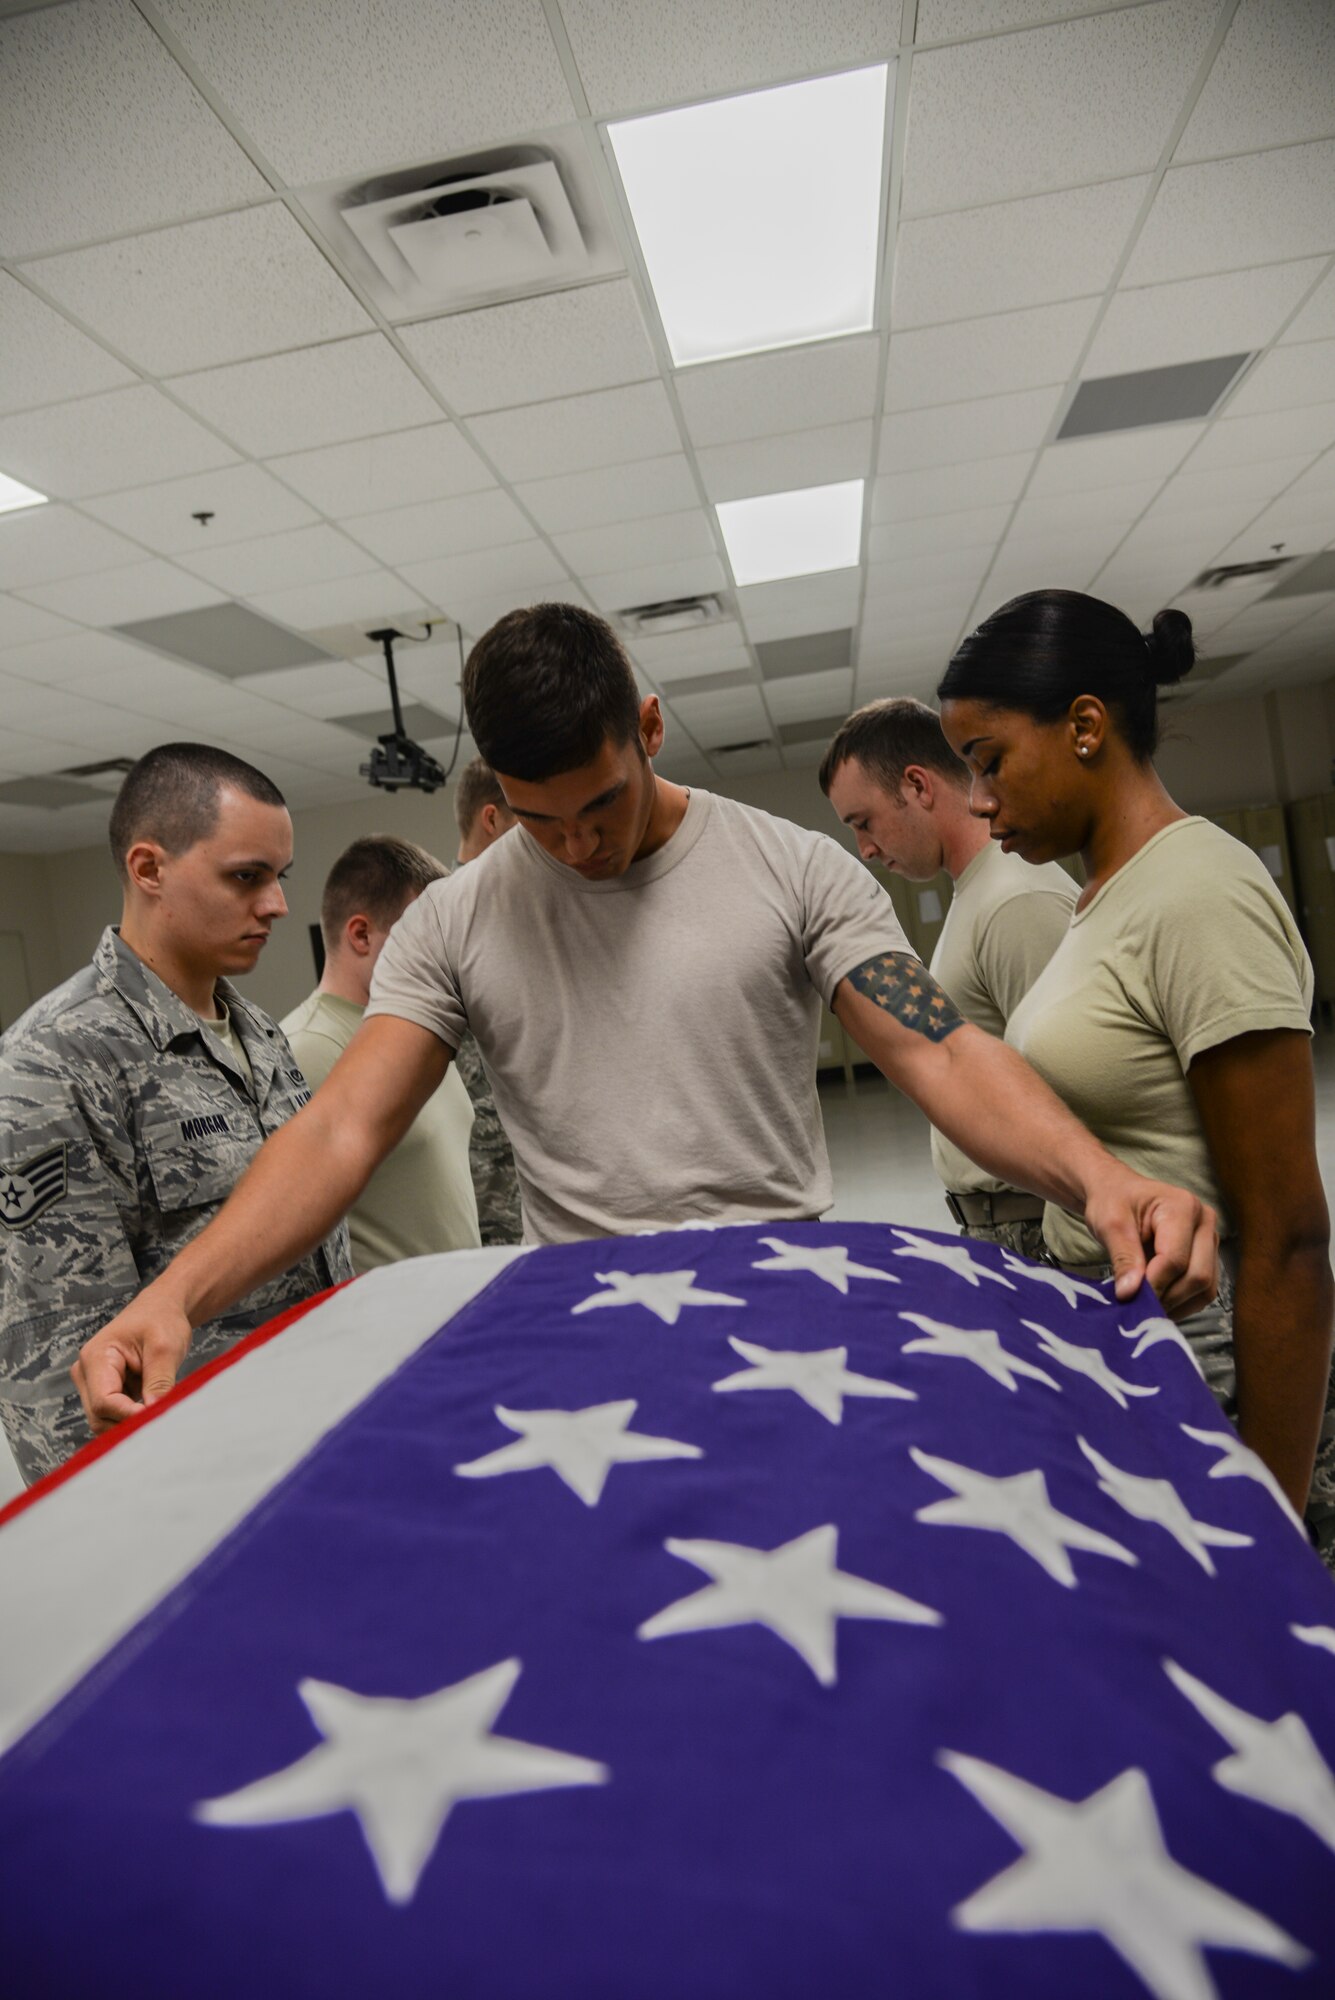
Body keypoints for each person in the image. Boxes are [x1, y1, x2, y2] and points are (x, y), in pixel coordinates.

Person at [72, 603, 1217, 1440]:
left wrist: (1101, 1182)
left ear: (651, 728)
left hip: (784, 1301)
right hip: (588, 1330)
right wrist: (177, 1294)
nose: (577, 846)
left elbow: (938, 1044)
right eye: (537, 819)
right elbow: (338, 1131)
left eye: (601, 803)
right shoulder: (456, 920)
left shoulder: (794, 868)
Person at [936, 587, 1335, 1559]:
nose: (978, 800)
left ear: (1084, 725)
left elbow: (1286, 1235)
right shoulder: (1099, 897)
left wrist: (1269, 1513)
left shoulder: (1197, 892)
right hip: (1131, 1336)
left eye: (990, 762)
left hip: (1212, 1357)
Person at [0, 743, 351, 1485]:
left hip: (319, 1439)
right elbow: (52, 1364)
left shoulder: (257, 1034)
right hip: (203, 1482)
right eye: (246, 877)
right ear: (149, 869)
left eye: (278, 878)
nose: (278, 905)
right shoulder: (50, 1064)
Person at [821, 697, 1077, 1257]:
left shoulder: (1016, 899)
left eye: (864, 823)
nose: (864, 849)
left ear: (917, 785)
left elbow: (1080, 1084)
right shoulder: (978, 895)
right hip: (1008, 1225)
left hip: (1048, 1228)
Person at [281, 836, 480, 1273]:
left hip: (459, 1308)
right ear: (361, 934)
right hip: (390, 1322)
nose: (443, 955)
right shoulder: (306, 1049)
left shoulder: (420, 1030)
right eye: (425, 937)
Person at [451, 757, 523, 1245]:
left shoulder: (521, 906)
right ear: (492, 819)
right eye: (529, 819)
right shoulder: (442, 921)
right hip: (489, 1192)